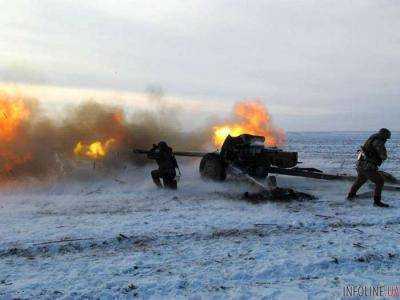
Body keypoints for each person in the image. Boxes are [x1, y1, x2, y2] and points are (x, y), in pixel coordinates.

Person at [347, 128, 392, 207]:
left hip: (361, 164)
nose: (386, 140)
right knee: (380, 181)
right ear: (384, 135)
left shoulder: (372, 138)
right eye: (386, 138)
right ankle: (377, 202)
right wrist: (383, 156)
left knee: (361, 179)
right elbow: (382, 155)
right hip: (368, 166)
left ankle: (351, 195)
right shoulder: (378, 141)